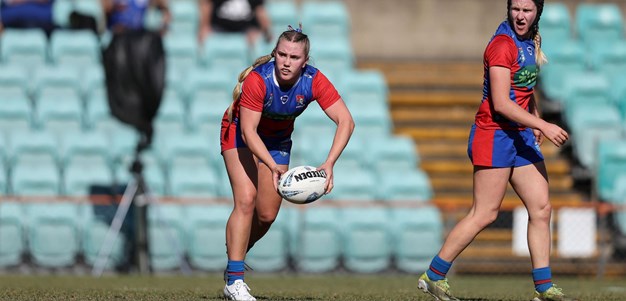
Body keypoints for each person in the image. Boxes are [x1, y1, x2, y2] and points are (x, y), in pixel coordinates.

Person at [417, 1, 576, 301]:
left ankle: (544, 289)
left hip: (519, 136)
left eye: (527, 10)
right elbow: (502, 103)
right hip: (495, 135)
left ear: (537, 12)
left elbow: (524, 90)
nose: (520, 15)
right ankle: (433, 275)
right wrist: (543, 123)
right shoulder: (502, 44)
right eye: (515, 8)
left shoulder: (531, 40)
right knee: (485, 213)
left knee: (541, 208)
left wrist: (535, 118)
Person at [219, 24, 354, 301]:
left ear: (305, 62)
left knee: (266, 215)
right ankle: (234, 281)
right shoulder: (259, 80)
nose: (286, 62)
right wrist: (271, 165)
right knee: (246, 199)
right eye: (282, 55)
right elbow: (248, 131)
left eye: (294, 58)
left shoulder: (314, 80)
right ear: (275, 53)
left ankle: (236, 253)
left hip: (278, 141)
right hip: (240, 134)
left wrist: (329, 164)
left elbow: (346, 121)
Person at [197, 0, 272, 46]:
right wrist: (204, 26)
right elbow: (207, 4)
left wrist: (265, 31)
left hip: (245, 29)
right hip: (219, 27)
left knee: (257, 41)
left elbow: (259, 9)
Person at [101, 0, 170, 34]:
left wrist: (163, 26)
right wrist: (115, 7)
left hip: (139, 39)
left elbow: (165, 10)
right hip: (118, 40)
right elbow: (105, 8)